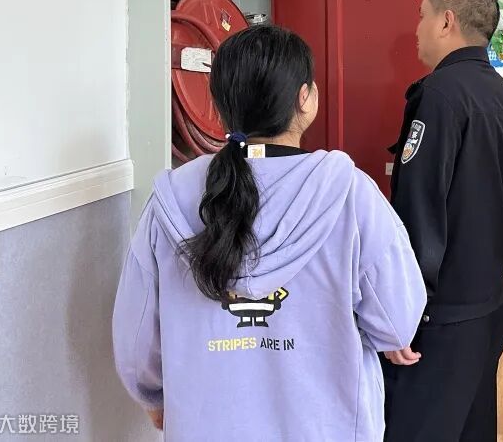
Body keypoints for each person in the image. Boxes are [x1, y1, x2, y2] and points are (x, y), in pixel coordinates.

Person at [112, 25, 426, 441]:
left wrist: (152, 395)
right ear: (304, 98)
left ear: (218, 106)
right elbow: (396, 322)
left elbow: (137, 338)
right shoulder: (351, 194)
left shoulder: (171, 200)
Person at [383, 0, 503, 441]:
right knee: (473, 427)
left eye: (421, 17)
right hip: (490, 301)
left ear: (446, 22)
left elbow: (419, 211)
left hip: (441, 316)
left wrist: (402, 312)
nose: (417, 29)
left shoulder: (439, 95)